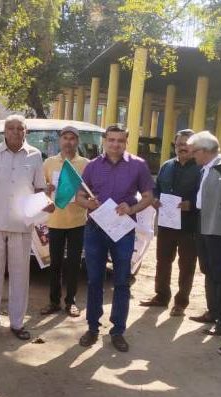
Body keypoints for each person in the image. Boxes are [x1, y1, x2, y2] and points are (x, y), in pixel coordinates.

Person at [0, 114, 50, 340]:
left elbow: (39, 190)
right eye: (11, 128)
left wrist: (45, 209)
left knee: (20, 276)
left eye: (20, 128)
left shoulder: (35, 155)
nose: (15, 132)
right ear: (5, 131)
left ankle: (17, 323)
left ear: (26, 132)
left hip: (22, 225)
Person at [76, 124, 154, 352]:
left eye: (120, 140)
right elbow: (79, 196)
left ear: (126, 142)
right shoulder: (92, 166)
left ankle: (118, 331)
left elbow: (148, 196)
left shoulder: (138, 165)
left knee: (121, 281)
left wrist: (132, 209)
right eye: (111, 140)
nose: (115, 144)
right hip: (95, 230)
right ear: (105, 141)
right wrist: (88, 203)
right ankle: (92, 327)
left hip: (122, 230)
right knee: (94, 280)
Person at [139, 129, 200, 316]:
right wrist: (155, 199)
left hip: (189, 225)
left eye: (186, 144)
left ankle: (181, 302)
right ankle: (161, 296)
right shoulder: (166, 166)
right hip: (166, 224)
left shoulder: (201, 168)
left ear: (194, 147)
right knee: (163, 261)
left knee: (187, 265)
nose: (182, 147)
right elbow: (156, 188)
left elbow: (206, 196)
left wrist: (191, 204)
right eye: (179, 144)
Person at [186, 131, 221, 349]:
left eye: (194, 151)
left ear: (205, 151)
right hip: (203, 223)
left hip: (219, 227)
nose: (192, 155)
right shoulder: (205, 168)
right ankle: (213, 312)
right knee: (208, 269)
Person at [40, 126, 89, 317]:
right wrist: (46, 189)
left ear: (77, 141)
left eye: (72, 138)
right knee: (55, 264)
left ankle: (71, 302)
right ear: (60, 141)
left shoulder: (86, 164)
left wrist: (83, 194)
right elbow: (40, 188)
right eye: (65, 138)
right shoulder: (49, 163)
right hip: (55, 221)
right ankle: (54, 302)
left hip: (78, 221)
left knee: (74, 264)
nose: (68, 142)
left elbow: (90, 189)